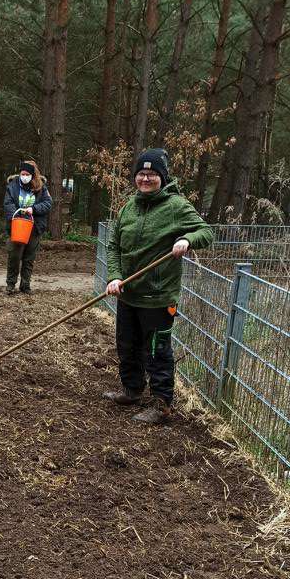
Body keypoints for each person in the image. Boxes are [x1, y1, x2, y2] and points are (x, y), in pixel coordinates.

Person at [103, 148, 214, 424]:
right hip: (128, 293)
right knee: (127, 346)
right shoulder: (129, 207)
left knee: (156, 351)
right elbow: (114, 245)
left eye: (152, 174)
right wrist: (114, 277)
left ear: (162, 177)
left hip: (158, 295)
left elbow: (206, 232)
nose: (145, 178)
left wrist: (187, 240)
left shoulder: (176, 206)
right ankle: (131, 390)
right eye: (141, 173)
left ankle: (161, 404)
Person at [3, 159, 52, 295]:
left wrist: (34, 209)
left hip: (34, 227)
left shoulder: (41, 188)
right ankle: (10, 284)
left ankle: (25, 285)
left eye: (27, 174)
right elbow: (8, 203)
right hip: (17, 226)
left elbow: (48, 203)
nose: (24, 176)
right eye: (22, 174)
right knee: (14, 256)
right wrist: (17, 215)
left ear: (32, 175)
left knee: (29, 258)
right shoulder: (12, 186)